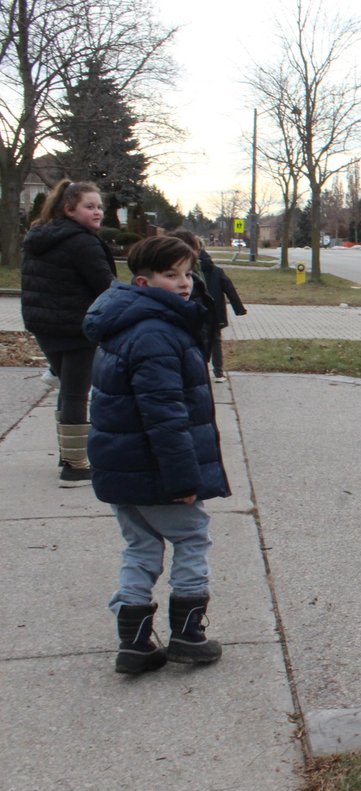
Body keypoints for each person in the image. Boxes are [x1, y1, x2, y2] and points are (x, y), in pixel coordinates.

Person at [84, 236, 230, 674]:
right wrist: (183, 480)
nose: (185, 284)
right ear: (145, 280)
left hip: (123, 470)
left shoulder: (125, 321)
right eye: (172, 276)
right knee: (191, 538)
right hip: (158, 471)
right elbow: (164, 416)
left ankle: (134, 642)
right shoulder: (155, 334)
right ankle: (188, 633)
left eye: (188, 273)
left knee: (140, 547)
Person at [20, 179, 117, 486]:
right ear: (69, 209)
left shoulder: (40, 237)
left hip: (45, 326)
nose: (98, 212)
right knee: (76, 392)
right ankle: (75, 465)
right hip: (77, 328)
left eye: (99, 206)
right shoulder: (82, 241)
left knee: (68, 389)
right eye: (89, 206)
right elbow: (106, 286)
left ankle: (68, 453)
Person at [169, 230, 247, 382]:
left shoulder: (191, 270)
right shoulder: (213, 270)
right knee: (214, 340)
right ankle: (218, 372)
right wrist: (239, 309)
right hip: (212, 311)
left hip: (198, 311)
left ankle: (201, 371)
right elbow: (229, 289)